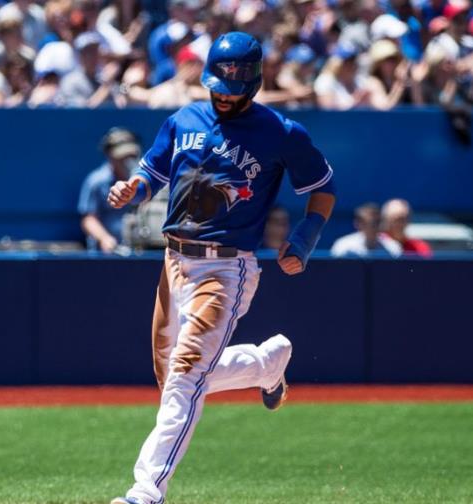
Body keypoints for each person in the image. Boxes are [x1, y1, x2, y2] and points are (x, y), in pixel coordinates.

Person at [106, 32, 336, 504]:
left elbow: (323, 186)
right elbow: (153, 171)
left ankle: (146, 490)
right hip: (173, 261)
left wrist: (305, 237)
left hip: (225, 269)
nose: (224, 95)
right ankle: (265, 364)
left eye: (234, 88)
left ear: (252, 84)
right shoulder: (184, 118)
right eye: (218, 86)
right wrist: (134, 188)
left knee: (186, 378)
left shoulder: (280, 131)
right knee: (174, 375)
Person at [79, 127, 141, 252]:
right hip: (107, 254)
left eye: (131, 156)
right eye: (122, 157)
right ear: (109, 156)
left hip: (140, 251)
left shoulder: (146, 180)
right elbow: (88, 219)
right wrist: (104, 238)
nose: (127, 161)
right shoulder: (96, 181)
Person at [331, 203, 402, 257]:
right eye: (371, 223)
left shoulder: (393, 248)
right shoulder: (343, 246)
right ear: (358, 224)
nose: (375, 227)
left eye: (378, 222)